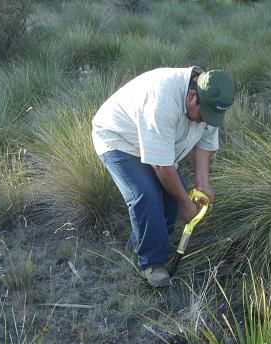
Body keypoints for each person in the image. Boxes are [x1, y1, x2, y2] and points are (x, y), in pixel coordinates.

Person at [92, 67, 235, 287]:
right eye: (202, 116)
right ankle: (151, 263)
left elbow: (205, 145)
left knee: (170, 199)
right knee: (146, 195)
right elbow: (162, 166)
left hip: (154, 141)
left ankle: (142, 242)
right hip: (119, 138)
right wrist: (185, 203)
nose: (202, 121)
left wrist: (203, 183)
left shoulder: (210, 104)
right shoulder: (162, 102)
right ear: (192, 96)